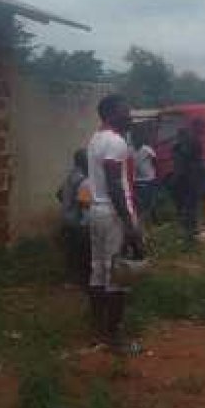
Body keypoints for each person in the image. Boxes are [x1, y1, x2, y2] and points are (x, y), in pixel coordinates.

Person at [87, 94, 140, 349]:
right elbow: (115, 185)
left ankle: (97, 328)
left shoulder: (95, 139)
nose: (129, 116)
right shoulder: (116, 142)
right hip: (112, 213)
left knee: (98, 271)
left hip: (97, 211)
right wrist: (129, 222)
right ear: (110, 114)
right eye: (124, 111)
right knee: (118, 275)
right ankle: (115, 337)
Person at [58, 148, 92, 287]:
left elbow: (59, 193)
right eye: (88, 159)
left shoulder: (71, 175)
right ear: (83, 161)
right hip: (77, 221)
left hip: (67, 217)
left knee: (71, 251)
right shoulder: (82, 179)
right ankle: (80, 281)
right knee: (80, 252)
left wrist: (68, 205)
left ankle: (70, 280)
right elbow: (84, 202)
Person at [172, 119, 205, 243]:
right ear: (198, 127)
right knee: (191, 206)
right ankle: (189, 234)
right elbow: (192, 161)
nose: (204, 131)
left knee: (186, 206)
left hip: (183, 179)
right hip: (191, 178)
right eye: (203, 128)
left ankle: (187, 232)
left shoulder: (179, 145)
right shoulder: (194, 141)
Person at [132, 131, 158, 223]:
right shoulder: (130, 150)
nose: (135, 141)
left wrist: (156, 173)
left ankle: (154, 218)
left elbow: (155, 160)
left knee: (151, 199)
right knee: (141, 201)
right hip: (137, 180)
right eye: (134, 139)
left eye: (137, 139)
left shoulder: (147, 149)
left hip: (149, 178)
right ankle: (145, 219)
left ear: (141, 140)